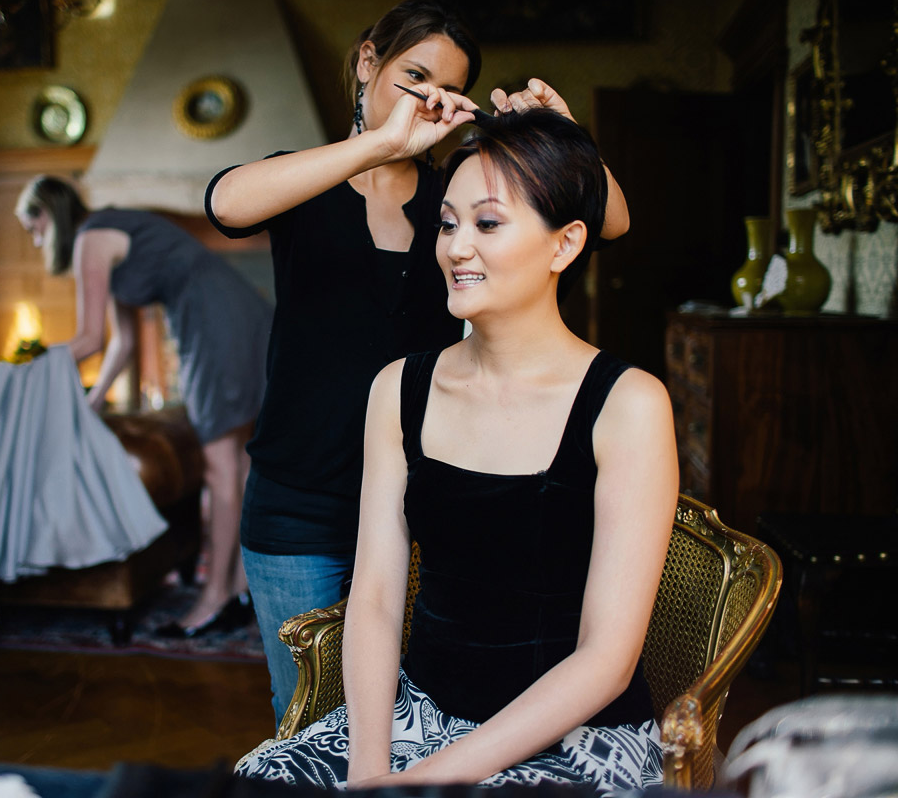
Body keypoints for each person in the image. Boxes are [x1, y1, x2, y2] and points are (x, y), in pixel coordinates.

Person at [205, 0, 631, 725]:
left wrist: (566, 134)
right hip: (298, 503)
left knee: (412, 706)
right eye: (414, 76)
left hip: (423, 502)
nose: (428, 98)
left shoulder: (453, 205)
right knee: (304, 713)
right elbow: (224, 203)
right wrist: (377, 146)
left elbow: (611, 222)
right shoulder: (306, 182)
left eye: (445, 87)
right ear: (368, 62)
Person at [236, 107, 677, 794]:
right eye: (447, 223)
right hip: (421, 713)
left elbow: (605, 661)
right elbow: (377, 599)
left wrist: (426, 784)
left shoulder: (630, 403)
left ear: (565, 245)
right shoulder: (399, 389)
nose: (455, 247)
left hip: (576, 733)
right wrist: (369, 769)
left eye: (488, 223)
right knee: (254, 781)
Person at [14, 176, 271, 636]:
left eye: (33, 229)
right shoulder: (108, 231)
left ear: (48, 215)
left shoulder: (90, 240)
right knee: (239, 460)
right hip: (236, 309)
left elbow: (90, 338)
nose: (35, 240)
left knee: (221, 466)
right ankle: (235, 588)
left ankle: (212, 599)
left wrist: (28, 368)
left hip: (210, 319)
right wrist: (94, 400)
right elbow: (122, 343)